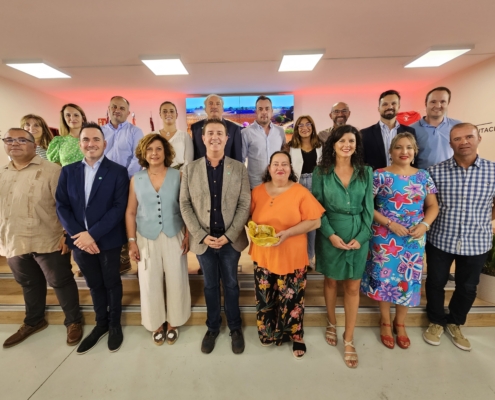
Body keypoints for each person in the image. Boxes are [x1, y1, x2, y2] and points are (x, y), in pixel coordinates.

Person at [1, 128, 83, 348]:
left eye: (21, 140)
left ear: (33, 144)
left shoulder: (52, 171)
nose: (14, 144)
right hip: (14, 240)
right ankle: (34, 321)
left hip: (48, 238)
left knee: (61, 281)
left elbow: (67, 206)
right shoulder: (3, 173)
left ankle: (73, 321)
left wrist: (67, 235)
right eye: (9, 140)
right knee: (28, 282)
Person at [360, 132, 439, 349]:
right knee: (385, 279)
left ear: (415, 152)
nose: (404, 152)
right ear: (390, 151)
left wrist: (424, 225)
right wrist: (389, 224)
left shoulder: (423, 176)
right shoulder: (379, 175)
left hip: (413, 238)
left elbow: (433, 206)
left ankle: (400, 323)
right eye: (399, 147)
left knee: (407, 279)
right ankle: (385, 321)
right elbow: (368, 206)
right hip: (385, 237)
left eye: (409, 148)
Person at [56, 122, 129, 354]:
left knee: (111, 282)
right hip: (79, 243)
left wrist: (92, 234)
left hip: (107, 239)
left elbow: (119, 208)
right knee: (94, 284)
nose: (91, 144)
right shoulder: (68, 172)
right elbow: (62, 206)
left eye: (96, 139)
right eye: (86, 140)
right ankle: (101, 324)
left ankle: (115, 324)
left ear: (104, 143)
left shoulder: (117, 171)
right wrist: (80, 237)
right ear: (80, 144)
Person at [180, 118, 250, 355]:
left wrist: (230, 235)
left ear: (227, 138)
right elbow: (185, 204)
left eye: (219, 133)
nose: (215, 137)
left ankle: (235, 327)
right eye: (210, 133)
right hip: (204, 241)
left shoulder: (239, 168)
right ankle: (212, 327)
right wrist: (200, 235)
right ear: (202, 137)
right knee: (210, 285)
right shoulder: (189, 170)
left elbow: (244, 204)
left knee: (230, 284)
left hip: (230, 241)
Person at [423, 123, 495, 351]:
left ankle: (455, 322)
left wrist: (482, 221)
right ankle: (435, 321)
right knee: (435, 283)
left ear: (478, 139)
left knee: (467, 287)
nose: (463, 142)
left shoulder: (493, 171)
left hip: (476, 240)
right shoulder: (435, 172)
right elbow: (429, 205)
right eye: (457, 138)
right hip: (441, 239)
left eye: (468, 137)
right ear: (450, 142)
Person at [250, 151, 324, 359]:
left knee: (292, 298)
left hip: (291, 254)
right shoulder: (257, 192)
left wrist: (288, 232)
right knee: (265, 297)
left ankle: (295, 335)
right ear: (269, 168)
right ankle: (268, 332)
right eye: (275, 164)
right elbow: (249, 218)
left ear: (291, 169)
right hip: (264, 254)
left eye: (284, 164)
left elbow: (315, 221)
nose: (280, 167)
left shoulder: (300, 192)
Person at [312, 125, 374, 368]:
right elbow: (317, 208)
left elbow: (369, 209)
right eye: (342, 141)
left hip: (358, 232)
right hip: (331, 233)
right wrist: (329, 234)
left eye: (351, 140)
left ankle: (348, 338)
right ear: (333, 145)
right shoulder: (321, 172)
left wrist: (363, 236)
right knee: (330, 282)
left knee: (353, 286)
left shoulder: (366, 172)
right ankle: (331, 322)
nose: (347, 145)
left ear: (356, 144)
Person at [126, 134, 191, 345]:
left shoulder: (178, 176)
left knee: (176, 278)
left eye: (158, 149)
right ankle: (155, 322)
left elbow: (185, 208)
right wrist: (131, 240)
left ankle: (174, 321)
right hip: (146, 236)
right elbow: (130, 212)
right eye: (150, 149)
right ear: (144, 154)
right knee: (149, 281)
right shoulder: (137, 179)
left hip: (174, 233)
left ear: (166, 152)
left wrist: (188, 233)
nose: (154, 153)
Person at [101, 96, 144, 274]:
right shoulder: (100, 131)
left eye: (121, 108)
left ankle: (124, 258)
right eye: (114, 107)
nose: (117, 110)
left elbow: (137, 157)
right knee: (106, 217)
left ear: (128, 112)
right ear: (108, 109)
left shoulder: (135, 131)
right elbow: (95, 154)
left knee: (126, 217)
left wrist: (122, 179)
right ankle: (108, 256)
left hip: (127, 182)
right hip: (103, 183)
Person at [283, 115, 323, 270]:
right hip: (297, 184)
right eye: (300, 125)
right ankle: (295, 256)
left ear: (312, 127)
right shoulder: (289, 146)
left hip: (316, 184)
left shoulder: (321, 145)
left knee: (312, 222)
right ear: (296, 129)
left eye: (308, 124)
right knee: (296, 221)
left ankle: (310, 257)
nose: (304, 128)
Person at [361, 90, 416, 170]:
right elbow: (361, 163)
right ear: (378, 108)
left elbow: (414, 158)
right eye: (385, 104)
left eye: (393, 103)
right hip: (374, 180)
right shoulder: (364, 134)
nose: (389, 107)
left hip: (403, 180)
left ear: (399, 107)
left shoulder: (410, 132)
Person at [241, 95, 286, 189]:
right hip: (255, 186)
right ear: (256, 111)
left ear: (272, 111)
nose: (264, 112)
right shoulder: (246, 133)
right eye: (260, 109)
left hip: (277, 185)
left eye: (267, 109)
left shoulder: (280, 132)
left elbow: (284, 156)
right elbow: (241, 161)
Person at [411, 87, 461, 170]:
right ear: (426, 103)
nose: (438, 105)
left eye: (443, 102)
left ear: (448, 103)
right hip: (424, 178)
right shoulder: (411, 129)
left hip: (452, 178)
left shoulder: (458, 126)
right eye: (433, 102)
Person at [190, 94, 242, 162]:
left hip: (227, 170)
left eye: (218, 104)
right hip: (201, 170)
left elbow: (237, 156)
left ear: (222, 109)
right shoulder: (195, 127)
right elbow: (195, 154)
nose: (214, 106)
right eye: (210, 103)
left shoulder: (234, 128)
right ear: (205, 109)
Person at [150, 101, 193, 170]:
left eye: (171, 111)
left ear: (176, 115)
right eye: (164, 111)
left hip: (179, 175)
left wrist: (179, 175)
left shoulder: (185, 136)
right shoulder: (152, 136)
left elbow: (188, 161)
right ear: (160, 115)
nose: (168, 114)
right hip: (157, 174)